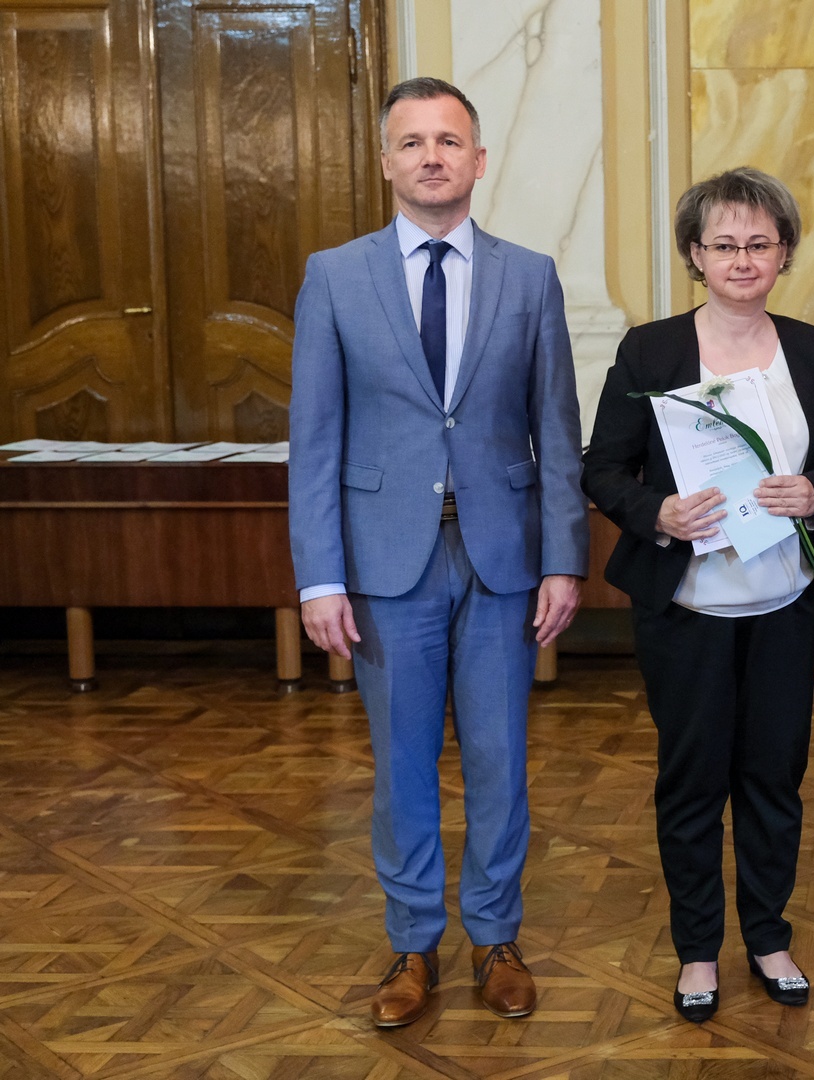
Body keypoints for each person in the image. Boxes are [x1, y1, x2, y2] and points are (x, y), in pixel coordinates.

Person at [288, 77, 589, 1028]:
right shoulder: (334, 276)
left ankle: (496, 938)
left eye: (449, 141)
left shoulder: (529, 276)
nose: (431, 156)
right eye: (412, 142)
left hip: (502, 562)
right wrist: (319, 577)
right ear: (386, 161)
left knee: (500, 761)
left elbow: (557, 430)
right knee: (403, 765)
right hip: (384, 567)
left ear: (478, 159)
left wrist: (564, 558)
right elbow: (315, 440)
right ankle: (413, 944)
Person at [580, 167, 814, 1024]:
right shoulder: (651, 350)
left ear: (785, 254)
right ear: (695, 254)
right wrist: (656, 512)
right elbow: (601, 467)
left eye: (759, 244)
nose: (742, 259)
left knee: (776, 776)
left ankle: (769, 938)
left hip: (784, 601)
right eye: (724, 244)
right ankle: (698, 949)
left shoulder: (813, 350)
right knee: (693, 780)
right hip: (688, 607)